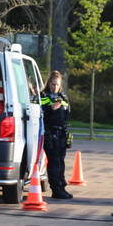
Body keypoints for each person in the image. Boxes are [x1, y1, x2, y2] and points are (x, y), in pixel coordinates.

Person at [40, 70, 73, 199]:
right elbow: (39, 112)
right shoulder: (43, 96)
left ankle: (61, 187)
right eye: (53, 84)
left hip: (62, 133)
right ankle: (56, 189)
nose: (55, 87)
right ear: (48, 84)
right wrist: (50, 109)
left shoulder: (63, 97)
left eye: (57, 85)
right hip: (50, 133)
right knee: (54, 162)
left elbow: (67, 114)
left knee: (61, 161)